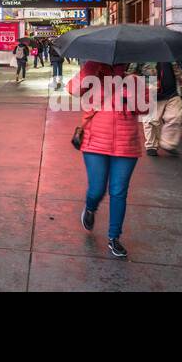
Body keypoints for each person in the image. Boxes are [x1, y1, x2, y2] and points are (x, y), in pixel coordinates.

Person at [69, 60, 149, 260]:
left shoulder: (135, 81)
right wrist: (88, 69)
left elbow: (146, 108)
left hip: (126, 144)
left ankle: (114, 237)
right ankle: (90, 207)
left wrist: (129, 93)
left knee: (118, 191)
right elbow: (72, 89)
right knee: (96, 189)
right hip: (95, 142)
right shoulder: (93, 74)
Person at [140, 55, 182, 157]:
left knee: (176, 116)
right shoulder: (143, 53)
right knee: (151, 122)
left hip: (173, 92)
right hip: (152, 93)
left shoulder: (173, 54)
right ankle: (151, 146)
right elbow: (132, 72)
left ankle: (168, 143)